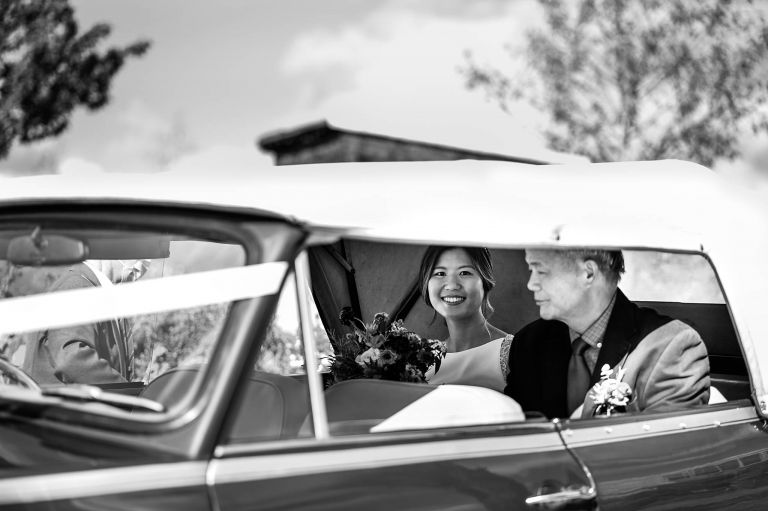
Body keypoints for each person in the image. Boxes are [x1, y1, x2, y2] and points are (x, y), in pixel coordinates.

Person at [504, 248, 710, 419]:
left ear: (589, 273)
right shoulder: (529, 343)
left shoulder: (673, 347)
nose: (531, 283)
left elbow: (668, 451)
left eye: (541, 271)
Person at [22, 259, 149, 385]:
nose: (145, 263)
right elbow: (73, 360)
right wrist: (127, 393)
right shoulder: (76, 287)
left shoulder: (92, 288)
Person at [419, 245, 513, 392]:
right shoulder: (422, 357)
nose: (451, 285)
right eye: (440, 273)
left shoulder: (513, 352)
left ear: (484, 281)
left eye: (464, 272)